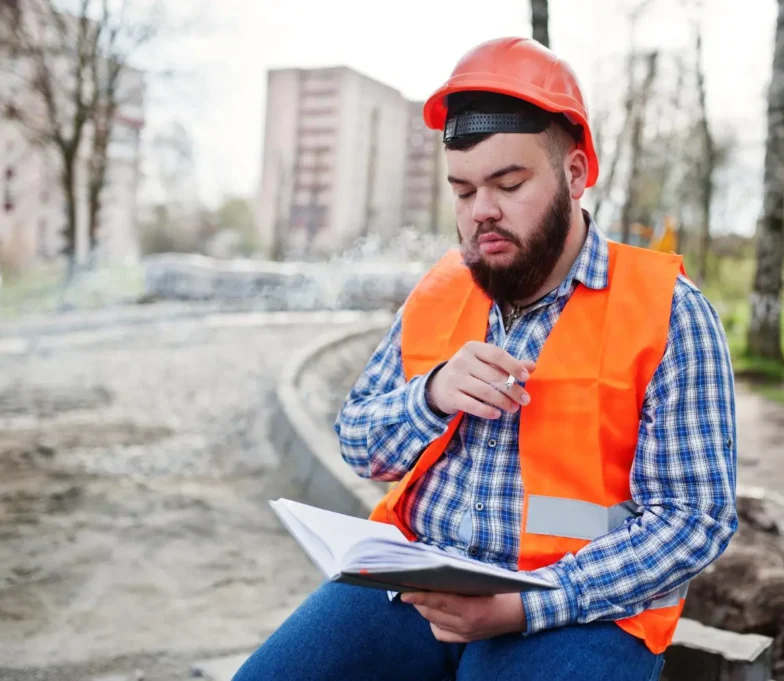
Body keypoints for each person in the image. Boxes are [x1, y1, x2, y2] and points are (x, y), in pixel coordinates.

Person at [233, 36, 738, 681]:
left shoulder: (668, 311)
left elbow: (695, 520)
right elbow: (360, 445)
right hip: (419, 580)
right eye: (463, 190)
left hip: (580, 607)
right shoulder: (440, 290)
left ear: (575, 174)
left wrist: (527, 606)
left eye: (509, 184)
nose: (482, 213)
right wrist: (431, 395)